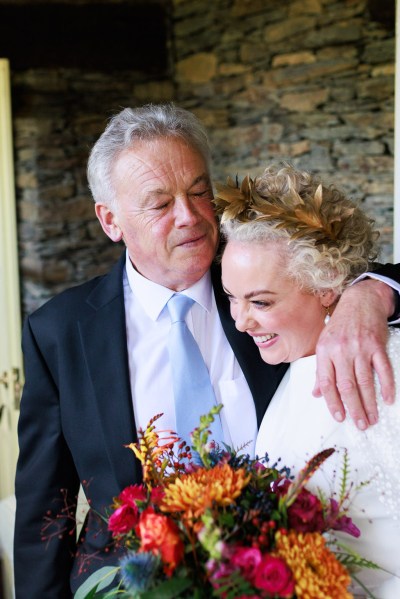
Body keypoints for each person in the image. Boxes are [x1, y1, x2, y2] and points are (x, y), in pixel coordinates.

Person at [13, 105, 400, 598]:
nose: (191, 216)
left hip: (283, 578)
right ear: (110, 220)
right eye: (159, 203)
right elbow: (45, 510)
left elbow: (355, 265)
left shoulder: (268, 282)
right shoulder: (60, 331)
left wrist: (369, 293)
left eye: (199, 191)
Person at [217, 163, 400, 597]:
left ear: (326, 286)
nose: (240, 323)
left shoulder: (380, 368)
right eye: (230, 298)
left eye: (260, 302)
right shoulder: (296, 363)